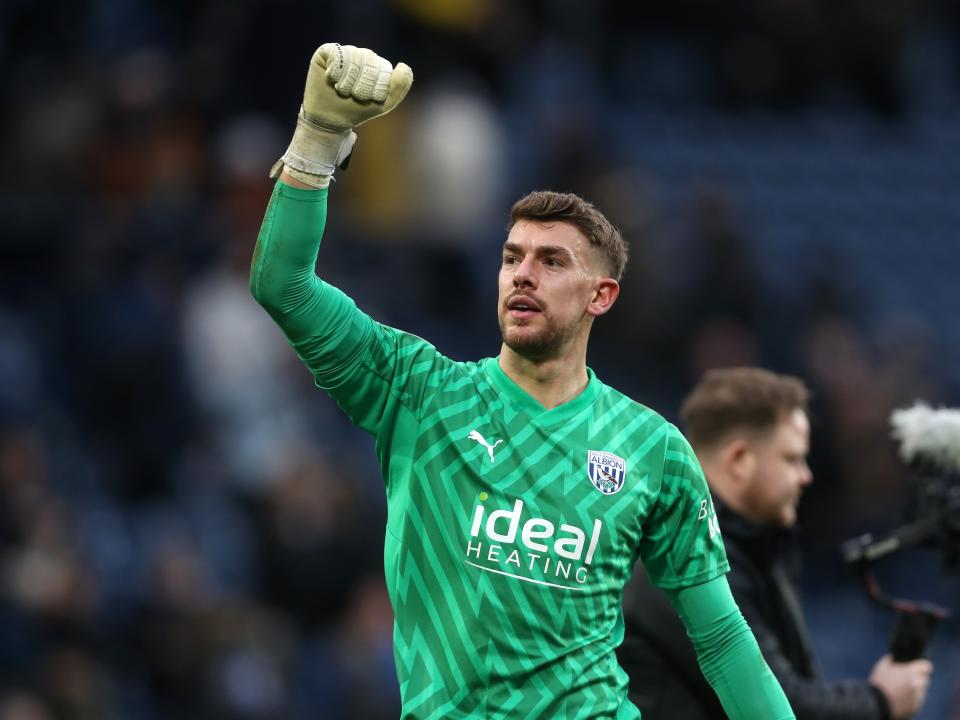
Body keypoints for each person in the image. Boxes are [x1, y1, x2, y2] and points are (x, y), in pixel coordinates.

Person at [250, 42, 795, 719]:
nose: (523, 274)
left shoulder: (653, 450)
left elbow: (721, 640)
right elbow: (284, 286)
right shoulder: (421, 392)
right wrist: (316, 141)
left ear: (602, 295)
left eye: (551, 261)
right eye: (511, 257)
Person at [618, 367, 935, 719]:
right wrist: (881, 700)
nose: (806, 476)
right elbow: (774, 703)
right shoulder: (677, 557)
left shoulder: (746, 548)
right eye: (792, 458)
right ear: (740, 460)